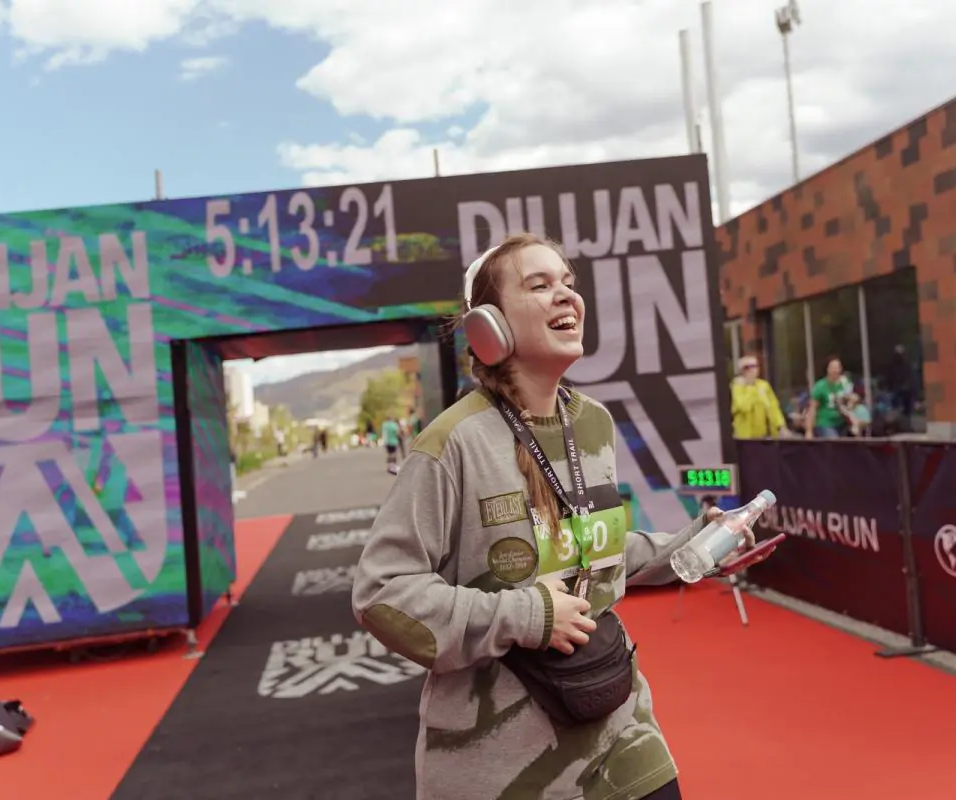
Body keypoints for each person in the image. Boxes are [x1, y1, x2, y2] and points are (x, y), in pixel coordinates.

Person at [351, 232, 753, 800]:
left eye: (568, 282)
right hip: (500, 762)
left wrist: (696, 544)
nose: (566, 295)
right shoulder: (452, 443)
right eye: (539, 285)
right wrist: (529, 616)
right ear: (489, 326)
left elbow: (594, 551)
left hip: (618, 724)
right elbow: (381, 594)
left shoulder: (592, 423)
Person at [730, 354, 787, 439]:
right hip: (745, 436)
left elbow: (773, 407)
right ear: (743, 370)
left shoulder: (763, 385)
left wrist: (780, 426)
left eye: (756, 366)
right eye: (750, 367)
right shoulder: (737, 387)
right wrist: (749, 387)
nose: (755, 369)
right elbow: (743, 407)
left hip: (763, 435)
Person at [804, 355, 856, 439]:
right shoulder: (820, 387)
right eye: (832, 368)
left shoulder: (845, 383)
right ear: (827, 369)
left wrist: (850, 404)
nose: (835, 370)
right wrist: (809, 431)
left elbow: (851, 399)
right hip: (825, 423)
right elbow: (812, 409)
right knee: (834, 441)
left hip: (842, 421)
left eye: (837, 368)